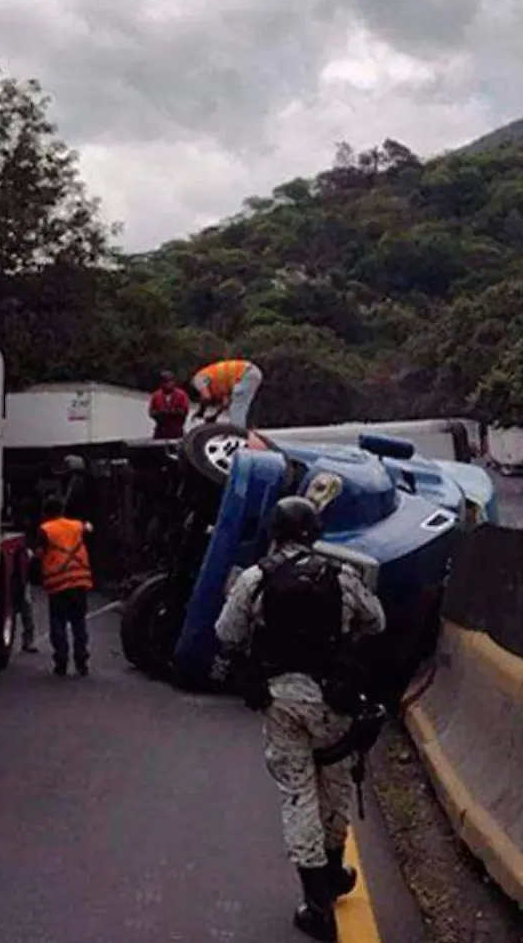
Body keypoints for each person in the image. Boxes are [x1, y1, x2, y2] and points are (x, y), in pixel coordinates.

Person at [215, 496, 386, 942]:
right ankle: (333, 873)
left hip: (282, 701)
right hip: (334, 701)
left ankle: (316, 904)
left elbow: (225, 633)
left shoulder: (257, 579)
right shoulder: (341, 576)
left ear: (275, 533)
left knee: (298, 795)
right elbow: (377, 622)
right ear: (314, 534)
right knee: (334, 787)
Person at [32, 495, 93, 677]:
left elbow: (39, 553)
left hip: (58, 584)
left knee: (58, 623)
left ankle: (61, 662)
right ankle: (82, 662)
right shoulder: (76, 525)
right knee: (79, 623)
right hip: (79, 581)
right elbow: (89, 528)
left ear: (45, 513)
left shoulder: (45, 529)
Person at [191, 358, 263, 428]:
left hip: (245, 372)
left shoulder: (198, 378)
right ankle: (243, 432)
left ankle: (237, 434)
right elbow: (226, 403)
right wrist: (215, 416)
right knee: (240, 406)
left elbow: (206, 397)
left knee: (237, 408)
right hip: (251, 373)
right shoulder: (220, 385)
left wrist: (201, 412)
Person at [148, 371, 191, 440]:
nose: (167, 384)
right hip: (160, 430)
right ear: (161, 383)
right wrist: (161, 413)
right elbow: (151, 412)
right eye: (164, 381)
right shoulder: (156, 395)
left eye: (169, 381)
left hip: (176, 431)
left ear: (174, 382)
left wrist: (171, 412)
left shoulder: (181, 395)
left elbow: (184, 411)